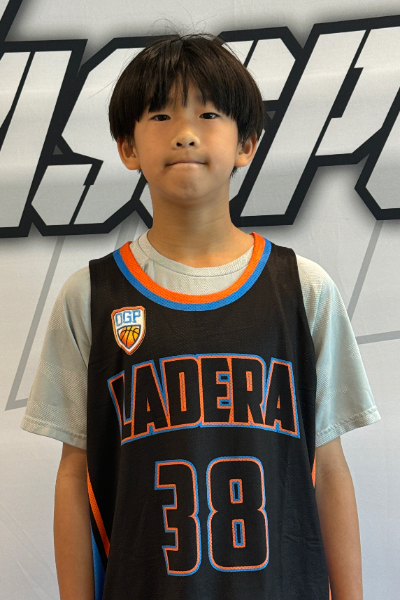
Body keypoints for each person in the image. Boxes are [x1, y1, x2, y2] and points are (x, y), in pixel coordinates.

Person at [21, 34, 381, 600]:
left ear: (247, 143)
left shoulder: (303, 290)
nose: (185, 132)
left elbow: (329, 467)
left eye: (208, 115)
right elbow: (75, 473)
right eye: (161, 115)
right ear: (127, 146)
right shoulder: (91, 296)